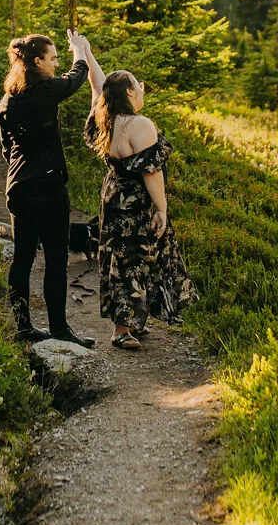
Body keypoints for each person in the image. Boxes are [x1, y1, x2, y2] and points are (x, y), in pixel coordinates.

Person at [77, 40, 197, 350]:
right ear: (130, 92)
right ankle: (122, 329)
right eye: (138, 86)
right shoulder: (140, 125)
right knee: (135, 259)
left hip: (113, 195)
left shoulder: (104, 120)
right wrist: (162, 209)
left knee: (119, 257)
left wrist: (86, 52)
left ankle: (131, 322)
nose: (142, 90)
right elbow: (151, 172)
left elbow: (98, 86)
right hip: (136, 202)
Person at [0, 29, 96, 347]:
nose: (56, 64)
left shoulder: (8, 100)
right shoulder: (46, 90)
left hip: (18, 187)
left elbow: (7, 149)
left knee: (22, 259)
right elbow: (77, 76)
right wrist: (79, 49)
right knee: (55, 260)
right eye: (52, 58)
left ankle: (23, 326)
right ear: (38, 62)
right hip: (49, 187)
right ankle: (59, 330)